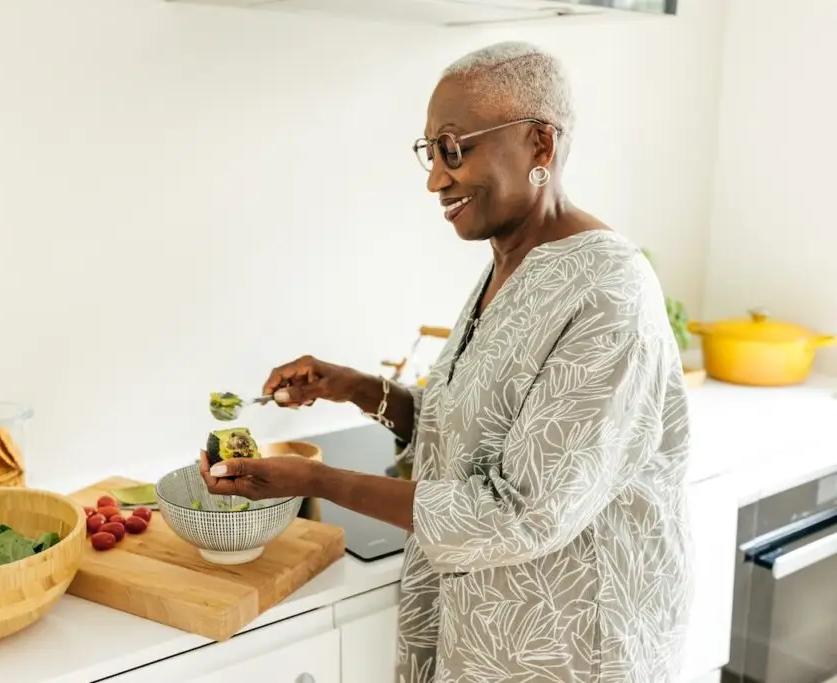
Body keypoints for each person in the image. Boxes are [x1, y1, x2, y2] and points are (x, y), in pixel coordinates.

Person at [200, 40, 694, 683]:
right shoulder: (513, 264)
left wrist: (312, 481)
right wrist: (355, 388)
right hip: (488, 628)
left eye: (455, 149)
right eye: (430, 152)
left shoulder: (606, 292)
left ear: (540, 145)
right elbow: (475, 435)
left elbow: (523, 511)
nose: (436, 178)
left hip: (572, 647)